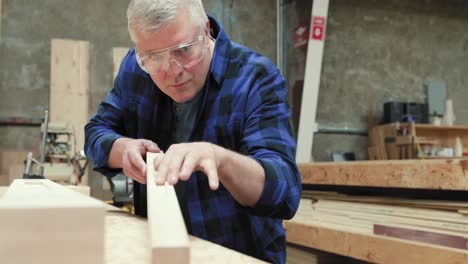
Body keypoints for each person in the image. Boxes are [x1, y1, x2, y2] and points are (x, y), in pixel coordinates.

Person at [84, 0, 301, 262]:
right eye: (153, 57)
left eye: (184, 50)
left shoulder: (255, 77)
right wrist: (122, 150)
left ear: (206, 30)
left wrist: (221, 161)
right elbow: (95, 133)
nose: (172, 72)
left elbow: (285, 192)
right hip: (162, 252)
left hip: (238, 255)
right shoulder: (135, 68)